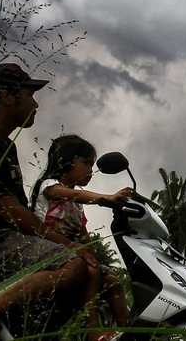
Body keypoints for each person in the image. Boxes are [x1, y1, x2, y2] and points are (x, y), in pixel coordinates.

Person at [0, 63, 116, 341]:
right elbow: (11, 211)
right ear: (6, 97)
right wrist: (65, 243)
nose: (35, 104)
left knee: (94, 273)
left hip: (6, 239)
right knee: (72, 264)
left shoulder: (4, 144)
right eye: (29, 95)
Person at [30, 134, 131, 329]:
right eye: (85, 163)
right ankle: (94, 331)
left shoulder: (76, 205)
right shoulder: (49, 187)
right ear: (64, 162)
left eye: (92, 165)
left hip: (73, 252)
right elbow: (75, 194)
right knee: (91, 273)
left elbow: (82, 232)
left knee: (113, 281)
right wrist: (109, 198)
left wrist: (95, 257)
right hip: (47, 248)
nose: (90, 171)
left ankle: (129, 332)